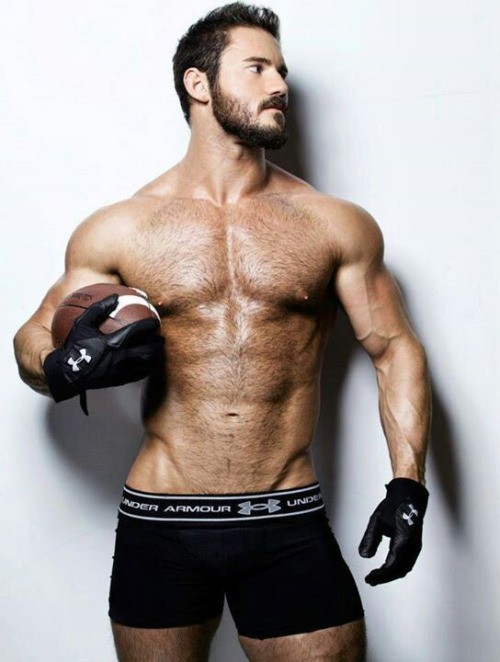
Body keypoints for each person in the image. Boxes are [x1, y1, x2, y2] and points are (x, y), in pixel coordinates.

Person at [13, 3, 431, 661]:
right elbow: (33, 339)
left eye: (282, 71)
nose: (280, 85)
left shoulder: (333, 224)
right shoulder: (123, 226)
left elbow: (394, 348)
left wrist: (408, 483)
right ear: (198, 84)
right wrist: (63, 366)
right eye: (257, 68)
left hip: (285, 519)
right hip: (161, 523)